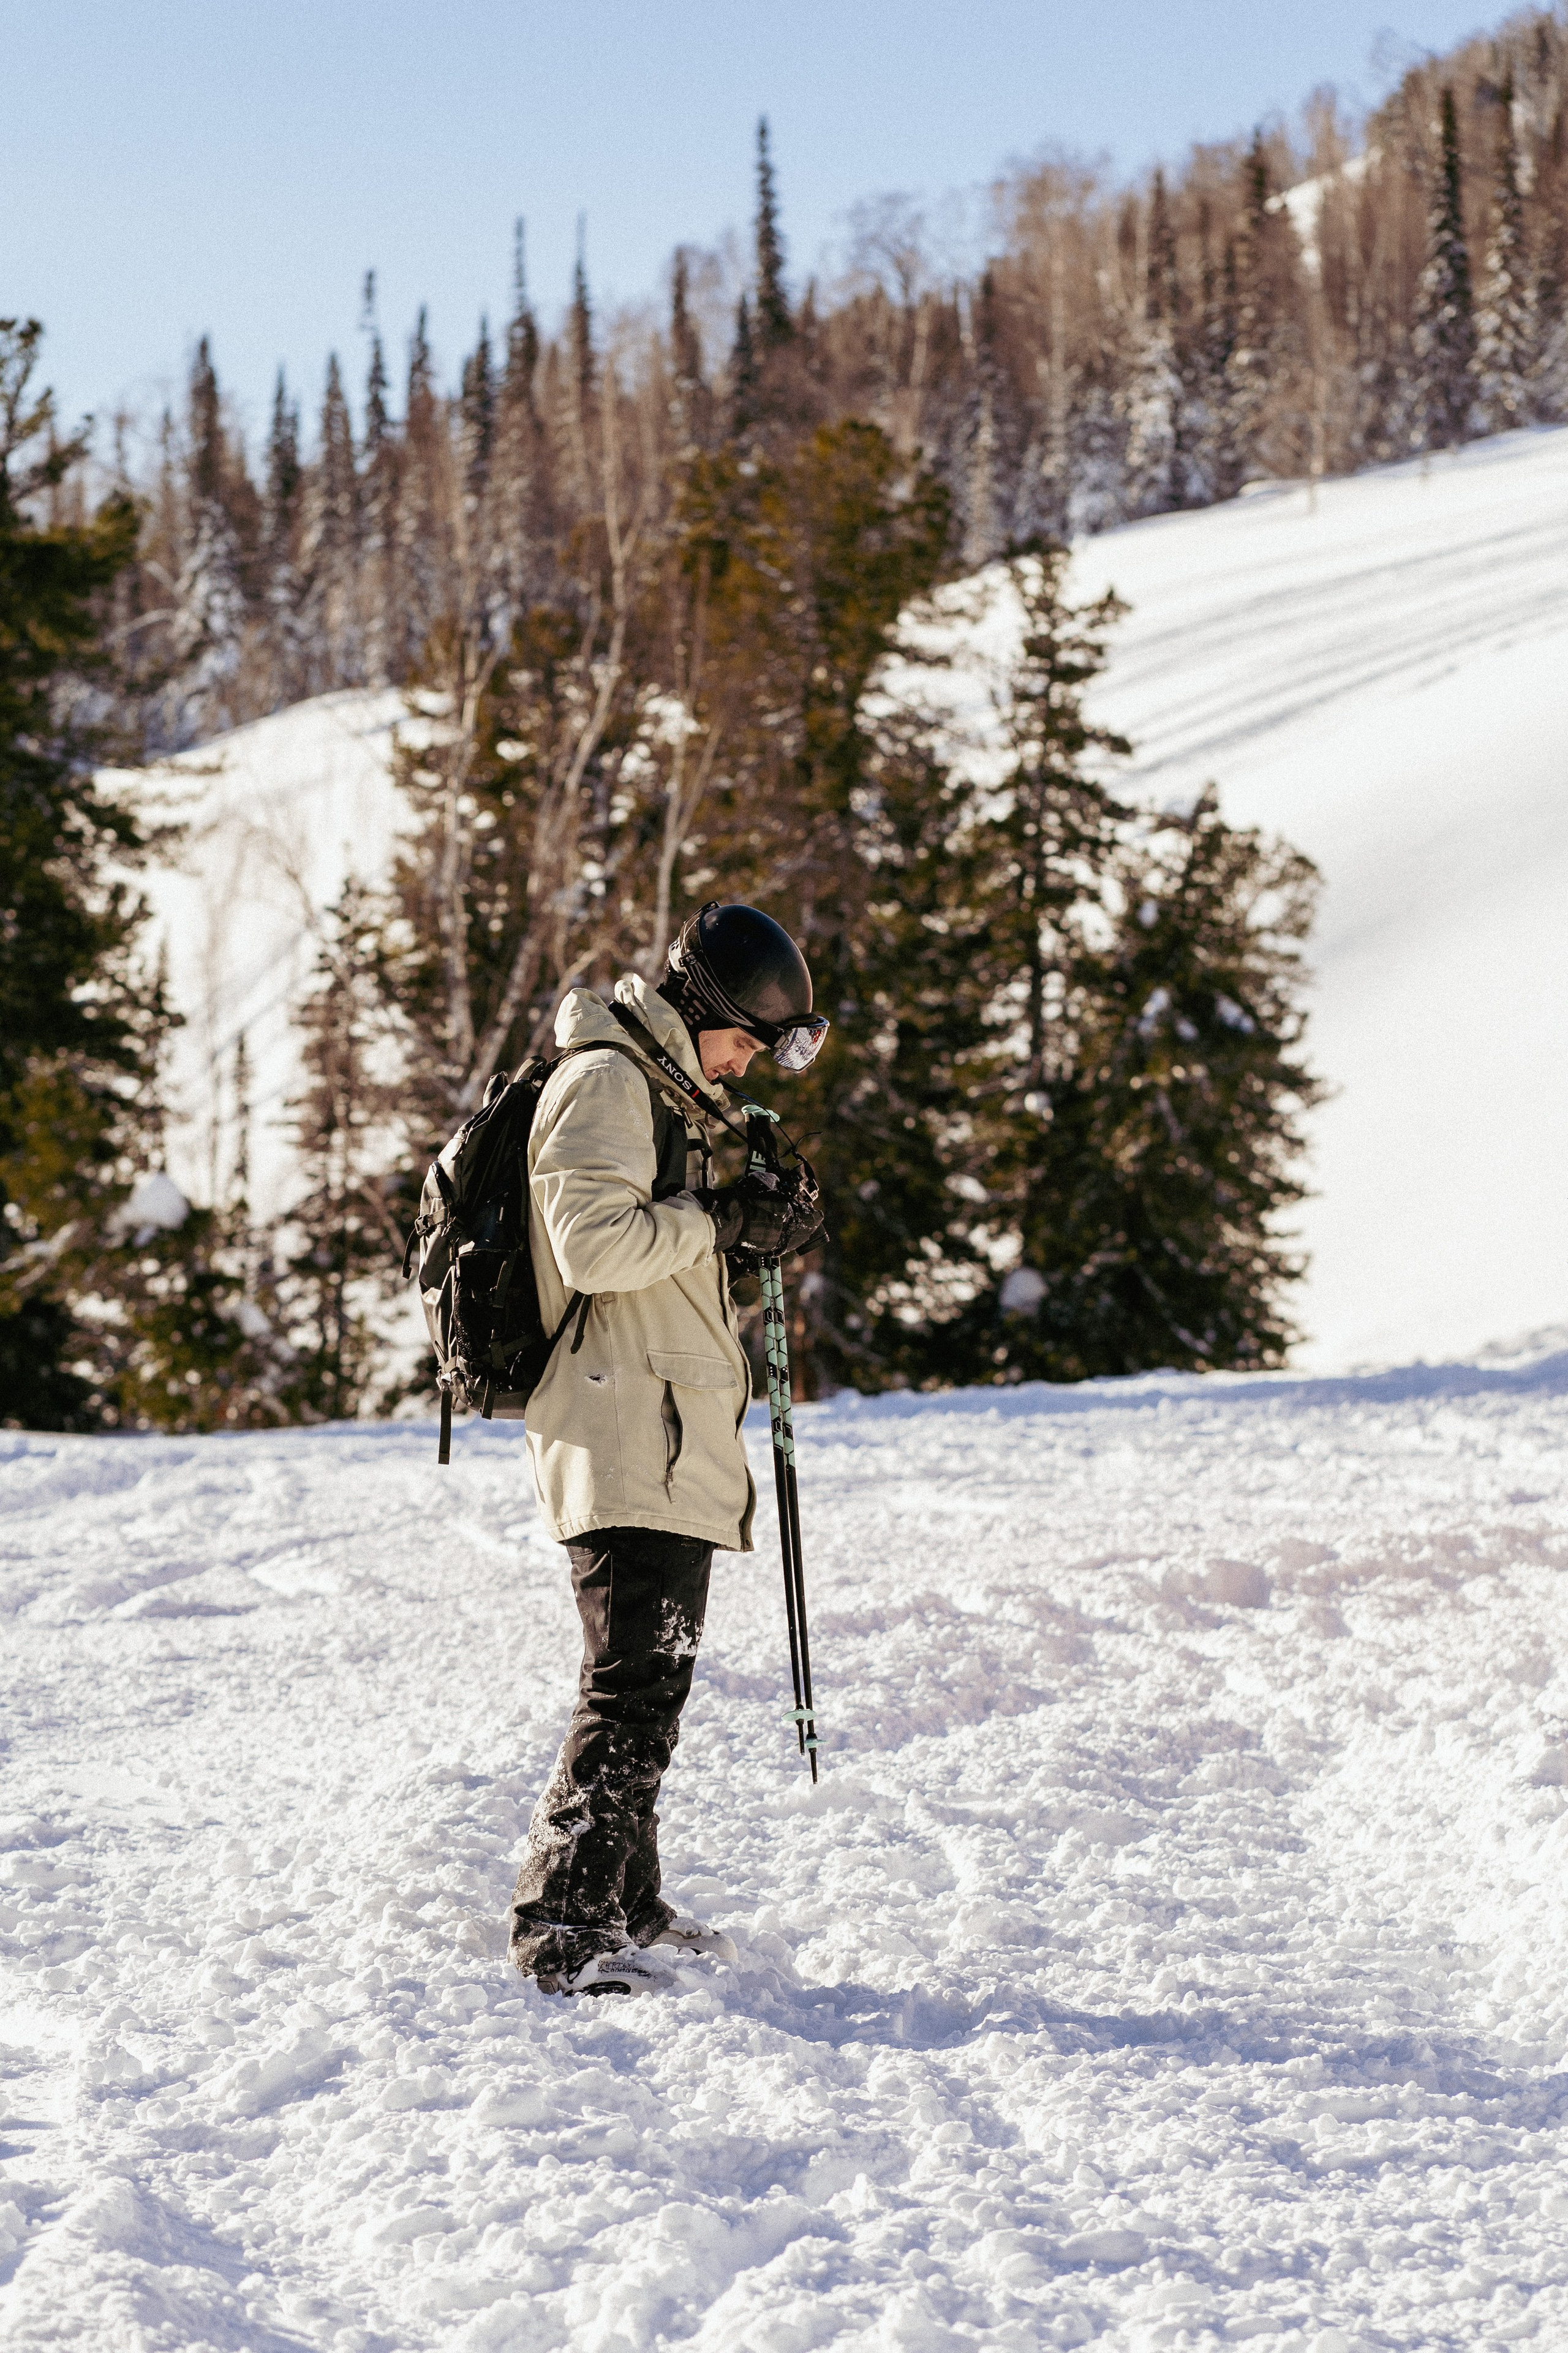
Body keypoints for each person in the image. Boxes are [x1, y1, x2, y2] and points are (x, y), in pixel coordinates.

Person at [508, 902, 826, 1996]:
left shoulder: (666, 1094)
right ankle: (563, 1927)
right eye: (744, 1039)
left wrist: (753, 1222)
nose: (745, 1063)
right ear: (702, 1009)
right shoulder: (606, 1080)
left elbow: (662, 1267)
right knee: (631, 1689)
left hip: (659, 1431)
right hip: (620, 1432)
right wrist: (720, 1221)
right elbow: (593, 1248)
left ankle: (623, 1900)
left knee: (652, 1685)